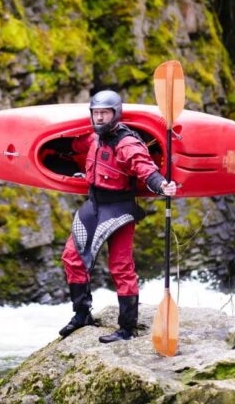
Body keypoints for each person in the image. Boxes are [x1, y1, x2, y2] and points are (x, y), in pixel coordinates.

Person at [58, 90, 177, 343]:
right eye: (96, 113)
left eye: (104, 113)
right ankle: (82, 314)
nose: (99, 118)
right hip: (94, 205)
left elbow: (145, 167)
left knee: (121, 268)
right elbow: (70, 147)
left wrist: (161, 185)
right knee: (72, 257)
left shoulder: (127, 143)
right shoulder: (93, 138)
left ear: (116, 114)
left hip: (119, 210)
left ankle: (126, 329)